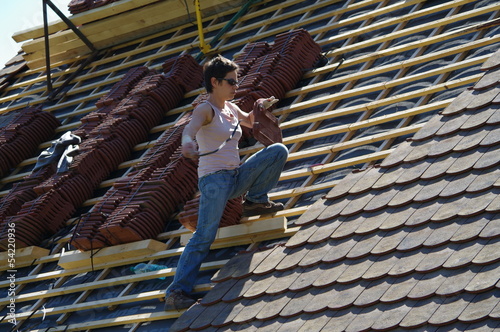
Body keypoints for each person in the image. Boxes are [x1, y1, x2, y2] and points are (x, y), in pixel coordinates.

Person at [164, 55, 288, 311]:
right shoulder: (205, 109)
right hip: (215, 181)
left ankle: (255, 200)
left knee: (277, 150)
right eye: (231, 82)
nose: (236, 86)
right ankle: (176, 293)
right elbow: (189, 130)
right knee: (204, 236)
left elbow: (251, 122)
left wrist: (260, 106)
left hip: (235, 176)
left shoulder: (231, 109)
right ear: (215, 82)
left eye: (236, 81)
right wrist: (188, 143)